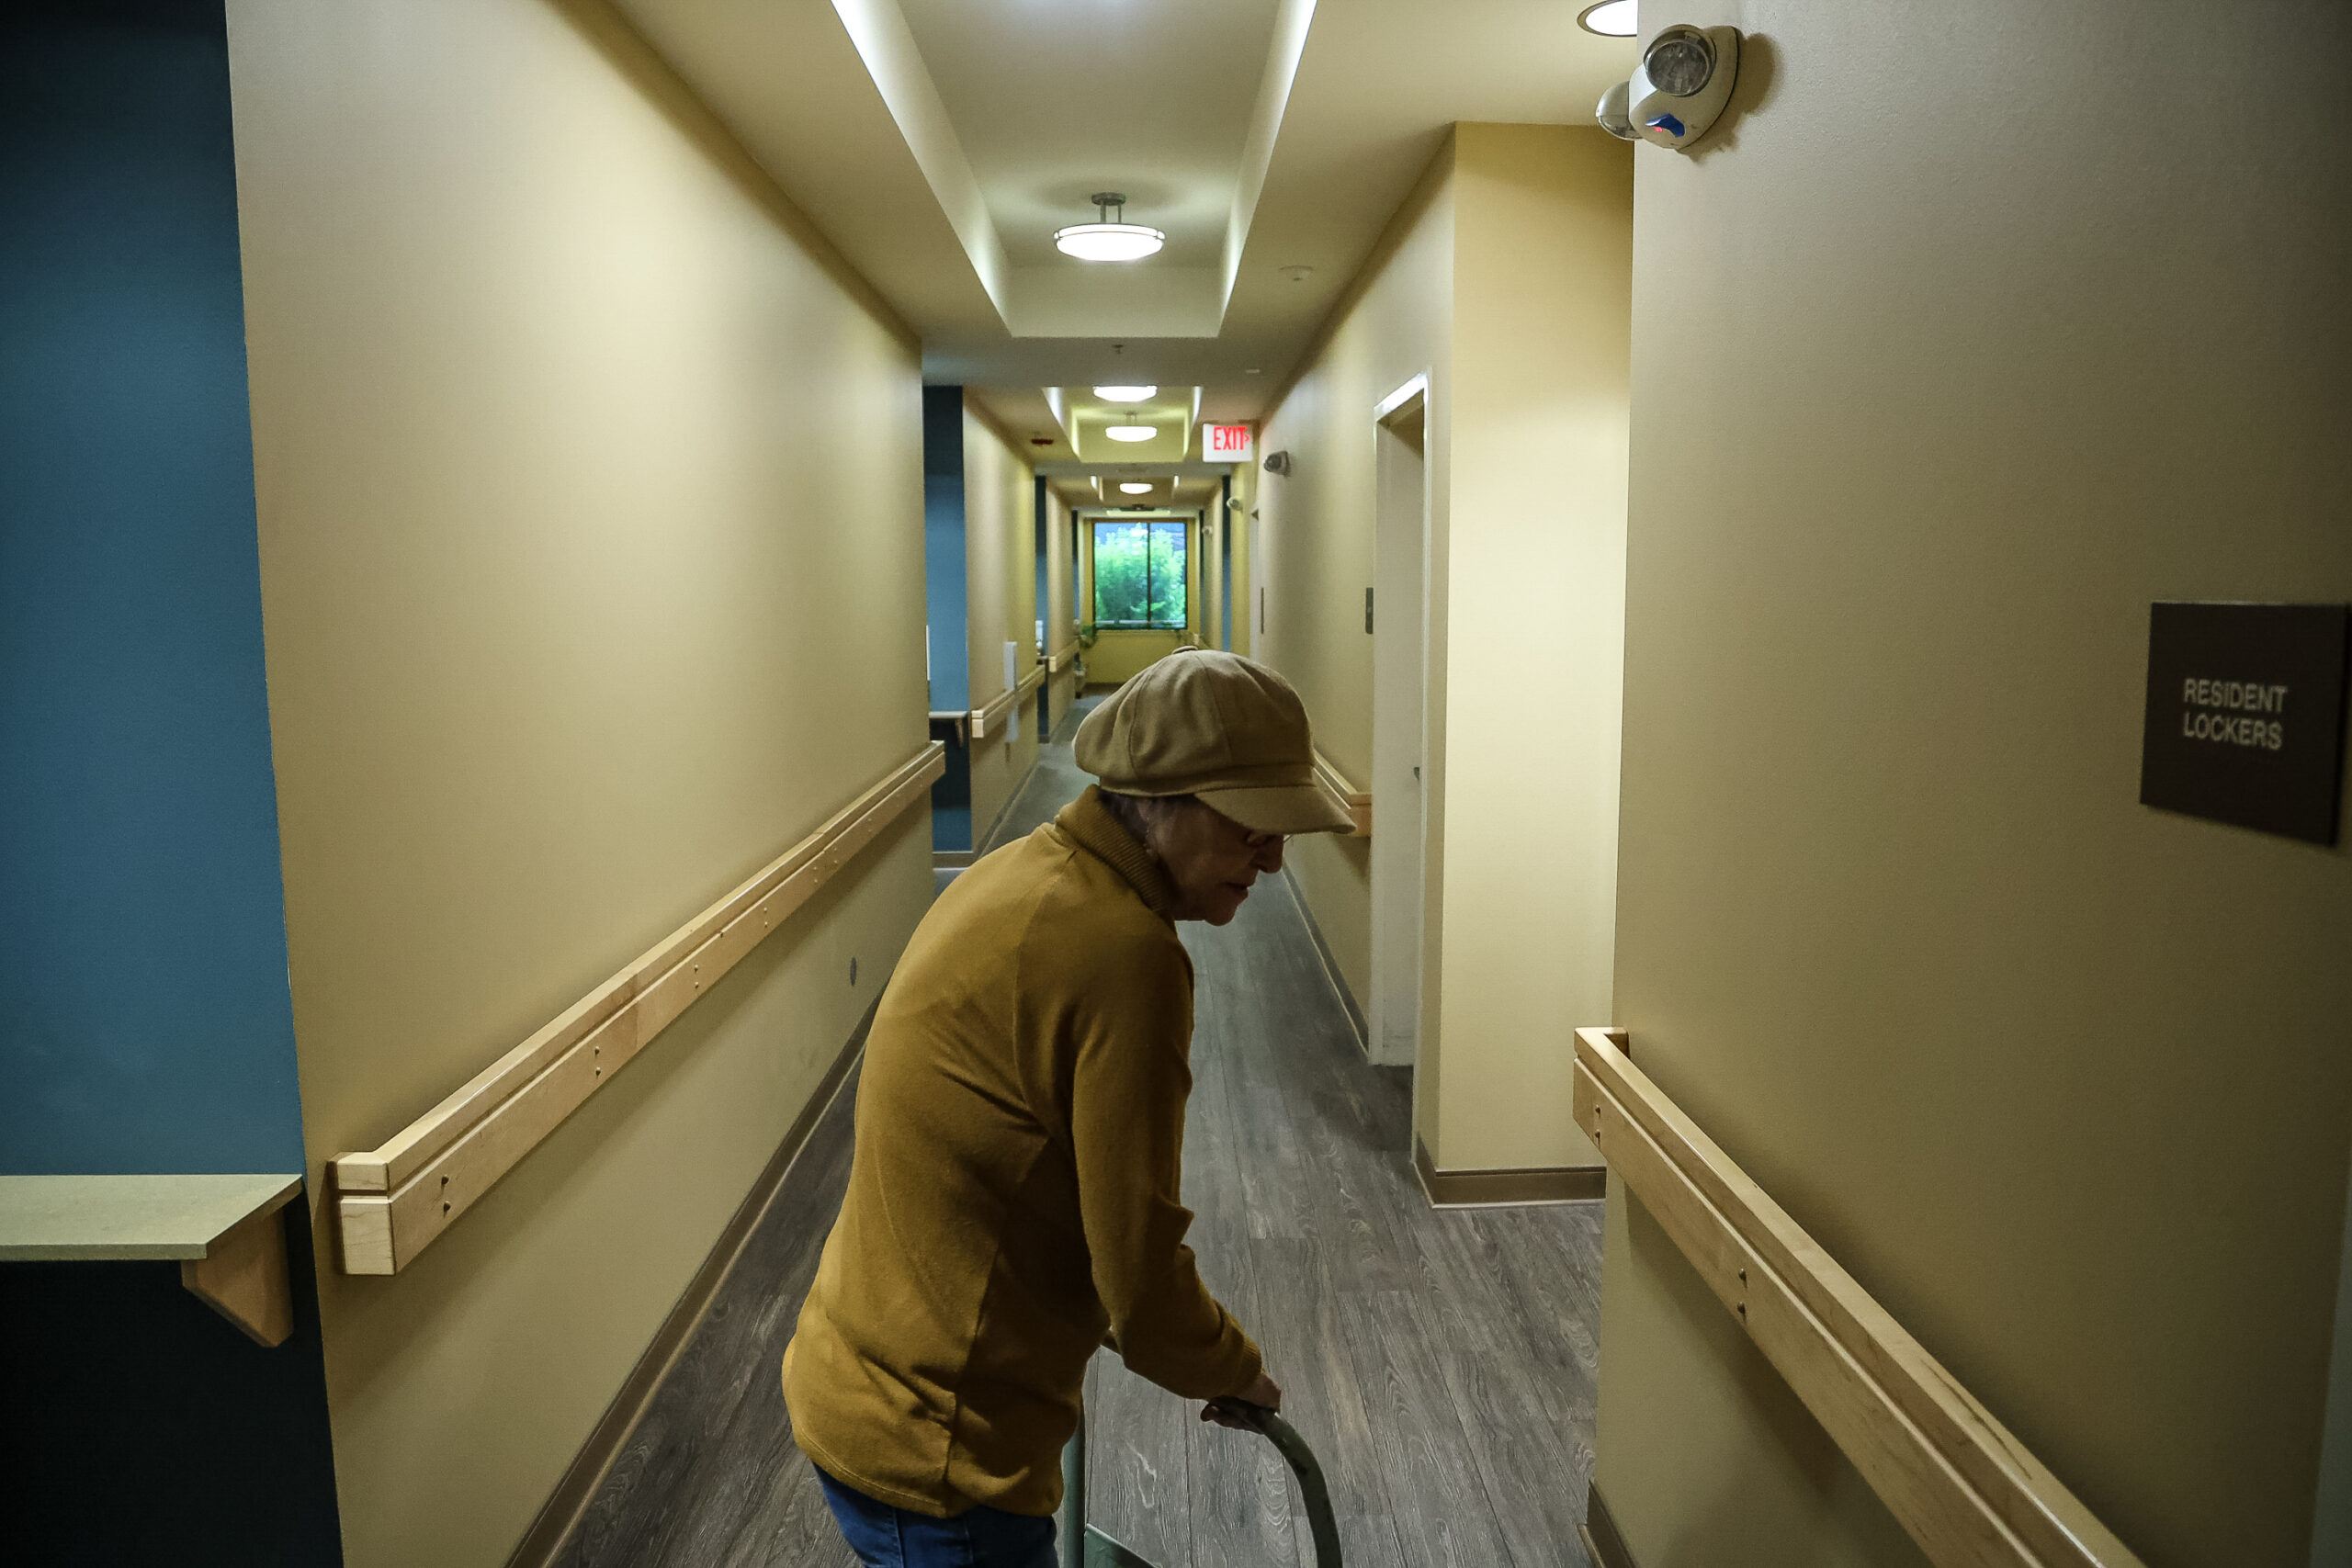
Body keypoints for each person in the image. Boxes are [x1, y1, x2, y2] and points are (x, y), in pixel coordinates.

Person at [782, 647, 1357, 1568]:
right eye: (1251, 825)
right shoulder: (1124, 955)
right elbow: (1136, 1275)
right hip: (940, 1451)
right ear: (1159, 801)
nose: (1276, 857)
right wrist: (1232, 1365)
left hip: (862, 1372)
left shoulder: (1022, 875)